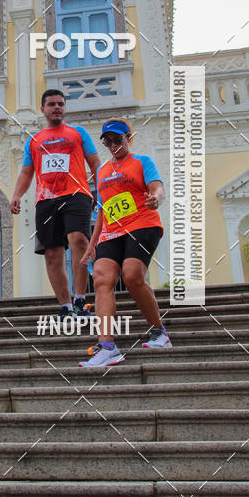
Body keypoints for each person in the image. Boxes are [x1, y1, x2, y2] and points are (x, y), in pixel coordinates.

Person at [79, 118, 169, 367]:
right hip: (111, 231)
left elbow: (157, 187)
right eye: (108, 142)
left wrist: (156, 198)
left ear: (128, 138)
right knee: (101, 277)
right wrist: (91, 244)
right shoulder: (102, 171)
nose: (113, 145)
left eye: (117, 140)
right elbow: (103, 210)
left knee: (131, 276)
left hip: (142, 224)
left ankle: (159, 332)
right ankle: (107, 346)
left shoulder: (142, 162)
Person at [10, 89, 100, 318]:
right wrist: (17, 195)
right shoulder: (34, 140)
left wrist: (101, 189)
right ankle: (65, 306)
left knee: (79, 240)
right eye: (52, 104)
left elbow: (95, 163)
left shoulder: (77, 133)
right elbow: (26, 172)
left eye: (60, 103)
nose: (57, 107)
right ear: (43, 109)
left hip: (77, 194)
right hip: (46, 199)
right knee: (52, 253)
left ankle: (80, 301)